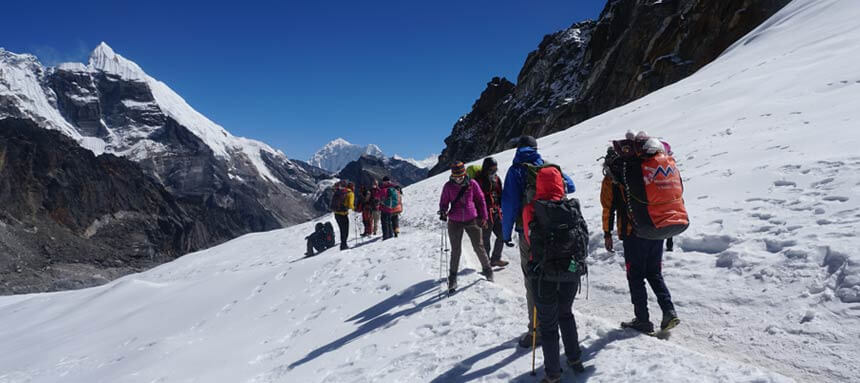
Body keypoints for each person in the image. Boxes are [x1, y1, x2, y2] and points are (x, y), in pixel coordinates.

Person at [501, 135, 576, 348]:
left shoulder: (515, 171)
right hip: (555, 231)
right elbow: (570, 186)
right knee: (555, 275)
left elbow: (509, 205)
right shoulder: (547, 166)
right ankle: (560, 324)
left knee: (533, 282)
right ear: (535, 148)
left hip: (529, 233)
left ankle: (537, 331)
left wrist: (506, 234)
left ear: (518, 149)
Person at [601, 132, 679, 334]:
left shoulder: (615, 176)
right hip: (657, 227)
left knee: (635, 276)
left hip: (632, 231)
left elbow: (608, 207)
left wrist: (607, 233)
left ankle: (642, 320)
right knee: (654, 272)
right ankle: (669, 310)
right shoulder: (648, 170)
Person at [525, 164, 585, 383]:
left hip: (543, 276)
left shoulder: (531, 209)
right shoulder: (572, 208)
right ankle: (574, 358)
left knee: (548, 326)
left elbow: (530, 240)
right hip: (570, 273)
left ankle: (552, 373)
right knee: (566, 314)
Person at [439, 162, 494, 292]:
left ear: (464, 173)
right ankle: (452, 278)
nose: (458, 179)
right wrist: (442, 210)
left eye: (461, 176)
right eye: (456, 176)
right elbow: (444, 202)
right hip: (454, 220)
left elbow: (480, 201)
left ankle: (488, 270)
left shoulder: (472, 184)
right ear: (452, 175)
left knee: (478, 247)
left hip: (472, 219)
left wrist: (484, 217)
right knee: (456, 250)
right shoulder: (448, 186)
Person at [475, 157, 509, 267]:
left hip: (496, 212)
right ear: (486, 168)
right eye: (492, 169)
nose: (494, 171)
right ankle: (486, 264)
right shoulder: (478, 181)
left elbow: (500, 194)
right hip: (484, 214)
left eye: (495, 168)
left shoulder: (496, 179)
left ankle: (495, 259)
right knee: (486, 240)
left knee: (502, 235)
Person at [331, 180, 355, 250]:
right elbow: (350, 205)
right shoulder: (350, 193)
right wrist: (354, 208)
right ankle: (343, 245)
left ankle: (343, 245)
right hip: (343, 214)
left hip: (337, 214)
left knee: (342, 230)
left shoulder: (340, 192)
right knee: (345, 230)